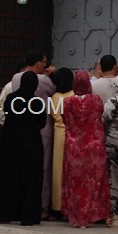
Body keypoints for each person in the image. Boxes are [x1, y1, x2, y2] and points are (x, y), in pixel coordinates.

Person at [0, 71, 47, 225]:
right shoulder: (37, 102)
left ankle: (4, 213)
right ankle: (28, 216)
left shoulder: (12, 98)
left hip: (11, 143)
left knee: (9, 178)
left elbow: (6, 113)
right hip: (31, 144)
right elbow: (42, 123)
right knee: (30, 181)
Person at [61, 70, 112, 228]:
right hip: (94, 146)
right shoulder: (96, 101)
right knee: (96, 181)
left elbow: (65, 120)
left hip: (74, 147)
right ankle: (99, 214)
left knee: (76, 182)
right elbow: (100, 114)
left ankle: (78, 216)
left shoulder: (67, 102)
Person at [11, 49, 56, 219]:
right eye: (44, 62)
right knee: (42, 168)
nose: (46, 64)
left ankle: (19, 202)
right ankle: (42, 207)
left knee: (21, 166)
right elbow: (54, 90)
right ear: (38, 63)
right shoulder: (43, 80)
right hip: (41, 129)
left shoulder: (16, 77)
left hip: (20, 128)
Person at [49, 67, 74, 217]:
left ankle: (57, 205)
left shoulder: (55, 97)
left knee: (58, 170)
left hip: (58, 133)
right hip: (72, 133)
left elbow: (53, 114)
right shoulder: (74, 95)